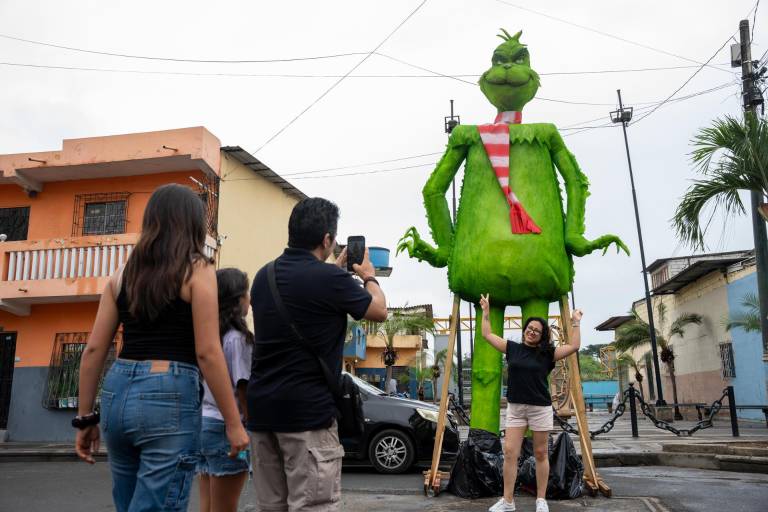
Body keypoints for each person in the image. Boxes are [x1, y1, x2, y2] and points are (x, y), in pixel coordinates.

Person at [74, 184, 249, 512]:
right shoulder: (198, 270)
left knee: (128, 504)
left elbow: (94, 351)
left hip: (117, 391)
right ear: (194, 224)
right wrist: (233, 423)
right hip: (168, 394)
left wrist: (85, 419)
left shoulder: (121, 275)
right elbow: (208, 352)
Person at [247, 197, 387, 512]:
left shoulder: (263, 276)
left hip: (262, 415)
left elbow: (303, 291)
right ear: (327, 240)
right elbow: (379, 310)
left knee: (272, 507)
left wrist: (332, 269)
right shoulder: (330, 280)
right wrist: (369, 276)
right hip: (307, 415)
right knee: (313, 506)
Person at [479, 294, 582, 512]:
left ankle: (541, 500)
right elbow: (487, 334)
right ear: (524, 329)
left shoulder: (547, 354)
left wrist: (575, 322)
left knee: (541, 453)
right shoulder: (512, 348)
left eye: (537, 330)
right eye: (529, 328)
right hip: (516, 408)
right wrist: (486, 312)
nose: (532, 331)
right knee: (509, 453)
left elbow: (574, 346)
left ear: (542, 335)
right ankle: (508, 501)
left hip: (540, 408)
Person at [198, 268, 254, 512]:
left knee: (208, 505)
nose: (249, 299)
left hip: (204, 424)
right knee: (225, 507)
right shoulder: (238, 339)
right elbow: (243, 387)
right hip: (227, 427)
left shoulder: (207, 337)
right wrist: (249, 422)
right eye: (246, 293)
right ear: (237, 300)